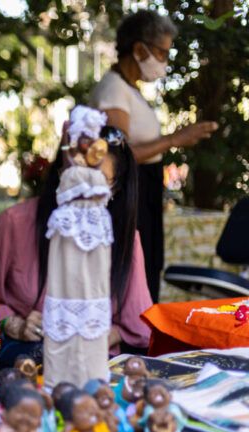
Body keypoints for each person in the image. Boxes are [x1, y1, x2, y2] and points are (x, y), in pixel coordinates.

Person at [0, 126, 151, 374]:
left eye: (95, 179)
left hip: (95, 366)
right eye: (75, 173)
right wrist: (12, 323)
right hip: (26, 360)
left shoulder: (125, 240)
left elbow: (139, 326)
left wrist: (102, 337)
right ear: (60, 172)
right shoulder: (15, 223)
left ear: (115, 189)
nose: (82, 186)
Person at [90, 10, 218, 302]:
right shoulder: (113, 90)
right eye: (162, 52)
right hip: (128, 195)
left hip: (144, 190)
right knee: (136, 271)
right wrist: (175, 139)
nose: (165, 61)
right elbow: (116, 155)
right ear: (139, 49)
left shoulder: (129, 90)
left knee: (149, 267)